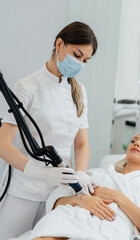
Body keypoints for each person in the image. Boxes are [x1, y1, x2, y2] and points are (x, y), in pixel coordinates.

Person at [0, 21, 98, 239]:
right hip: (24, 191)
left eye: (85, 60)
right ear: (59, 44)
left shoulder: (79, 91)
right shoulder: (27, 86)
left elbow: (81, 144)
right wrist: (37, 171)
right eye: (77, 54)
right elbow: (2, 143)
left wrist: (80, 173)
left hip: (58, 194)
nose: (80, 63)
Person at [11, 130, 140, 240]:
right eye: (133, 141)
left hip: (108, 226)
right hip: (70, 215)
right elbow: (56, 199)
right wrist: (79, 200)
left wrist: (117, 196)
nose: (136, 143)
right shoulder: (97, 173)